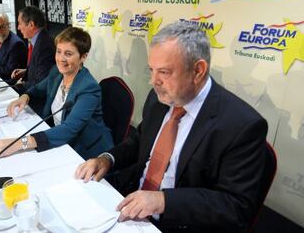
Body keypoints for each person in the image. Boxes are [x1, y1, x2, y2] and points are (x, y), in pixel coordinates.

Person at [75, 21, 268, 232]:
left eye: (164, 72)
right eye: (151, 70)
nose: (153, 81)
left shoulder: (241, 125)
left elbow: (236, 206)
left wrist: (164, 201)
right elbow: (139, 140)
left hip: (180, 222)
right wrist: (107, 159)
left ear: (198, 71)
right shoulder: (158, 97)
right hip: (129, 202)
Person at [0, 27, 114, 160]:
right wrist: (25, 97)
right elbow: (37, 89)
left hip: (85, 152)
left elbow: (69, 129)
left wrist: (19, 143)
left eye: (68, 54)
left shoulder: (89, 88)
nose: (61, 59)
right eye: (59, 52)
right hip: (61, 141)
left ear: (83, 57)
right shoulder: (57, 72)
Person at [11, 6, 55, 89]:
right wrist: (26, 72)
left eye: (20, 23)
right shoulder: (39, 39)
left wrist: (21, 85)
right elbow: (39, 67)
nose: (18, 28)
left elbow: (42, 81)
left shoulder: (44, 47)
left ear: (31, 24)